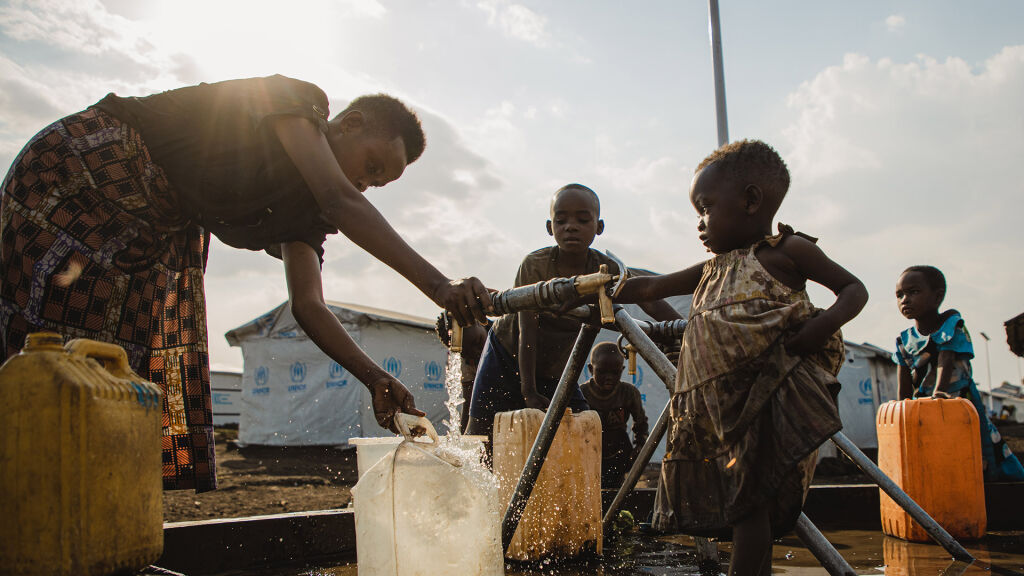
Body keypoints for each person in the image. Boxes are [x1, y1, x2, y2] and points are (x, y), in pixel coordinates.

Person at [0, 75, 491, 492]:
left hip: (147, 230)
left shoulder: (306, 216)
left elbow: (309, 305)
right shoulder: (299, 103)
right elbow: (342, 199)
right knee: (37, 341)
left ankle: (78, 498)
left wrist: (374, 378)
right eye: (371, 167)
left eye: (377, 185)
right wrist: (438, 284)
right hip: (83, 172)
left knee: (109, 366)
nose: (366, 184)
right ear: (349, 124)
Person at [613, 140, 868, 576]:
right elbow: (652, 287)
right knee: (742, 503)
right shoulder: (711, 268)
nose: (699, 223)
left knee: (749, 502)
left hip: (770, 399)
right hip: (720, 411)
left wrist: (815, 330)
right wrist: (598, 287)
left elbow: (853, 290)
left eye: (706, 207)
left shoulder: (787, 252)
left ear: (751, 200)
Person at [464, 183, 678, 440]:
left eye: (582, 219)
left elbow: (648, 297)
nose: (571, 226)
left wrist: (684, 325)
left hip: (555, 367)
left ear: (598, 227)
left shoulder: (605, 269)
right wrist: (528, 390)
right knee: (479, 433)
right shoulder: (535, 266)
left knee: (581, 431)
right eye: (561, 220)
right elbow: (526, 330)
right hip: (507, 353)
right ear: (549, 227)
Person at [893, 265, 1024, 481]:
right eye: (900, 295)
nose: (905, 299)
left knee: (979, 448)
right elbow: (904, 378)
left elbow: (946, 358)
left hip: (958, 403)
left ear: (937, 297)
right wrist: (902, 407)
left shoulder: (952, 326)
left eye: (913, 292)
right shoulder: (904, 340)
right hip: (923, 410)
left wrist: (940, 394)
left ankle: (1003, 490)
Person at [580, 341, 649, 489]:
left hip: (620, 452)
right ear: (591, 369)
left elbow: (641, 423)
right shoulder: (582, 394)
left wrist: (639, 446)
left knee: (615, 490)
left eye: (615, 372)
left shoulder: (629, 393)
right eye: (602, 371)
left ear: (622, 370)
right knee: (590, 489)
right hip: (589, 451)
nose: (609, 377)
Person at [434, 311, 491, 433]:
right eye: (467, 354)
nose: (477, 353)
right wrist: (463, 439)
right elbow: (468, 405)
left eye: (477, 342)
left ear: (478, 321)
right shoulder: (465, 362)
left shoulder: (503, 334)